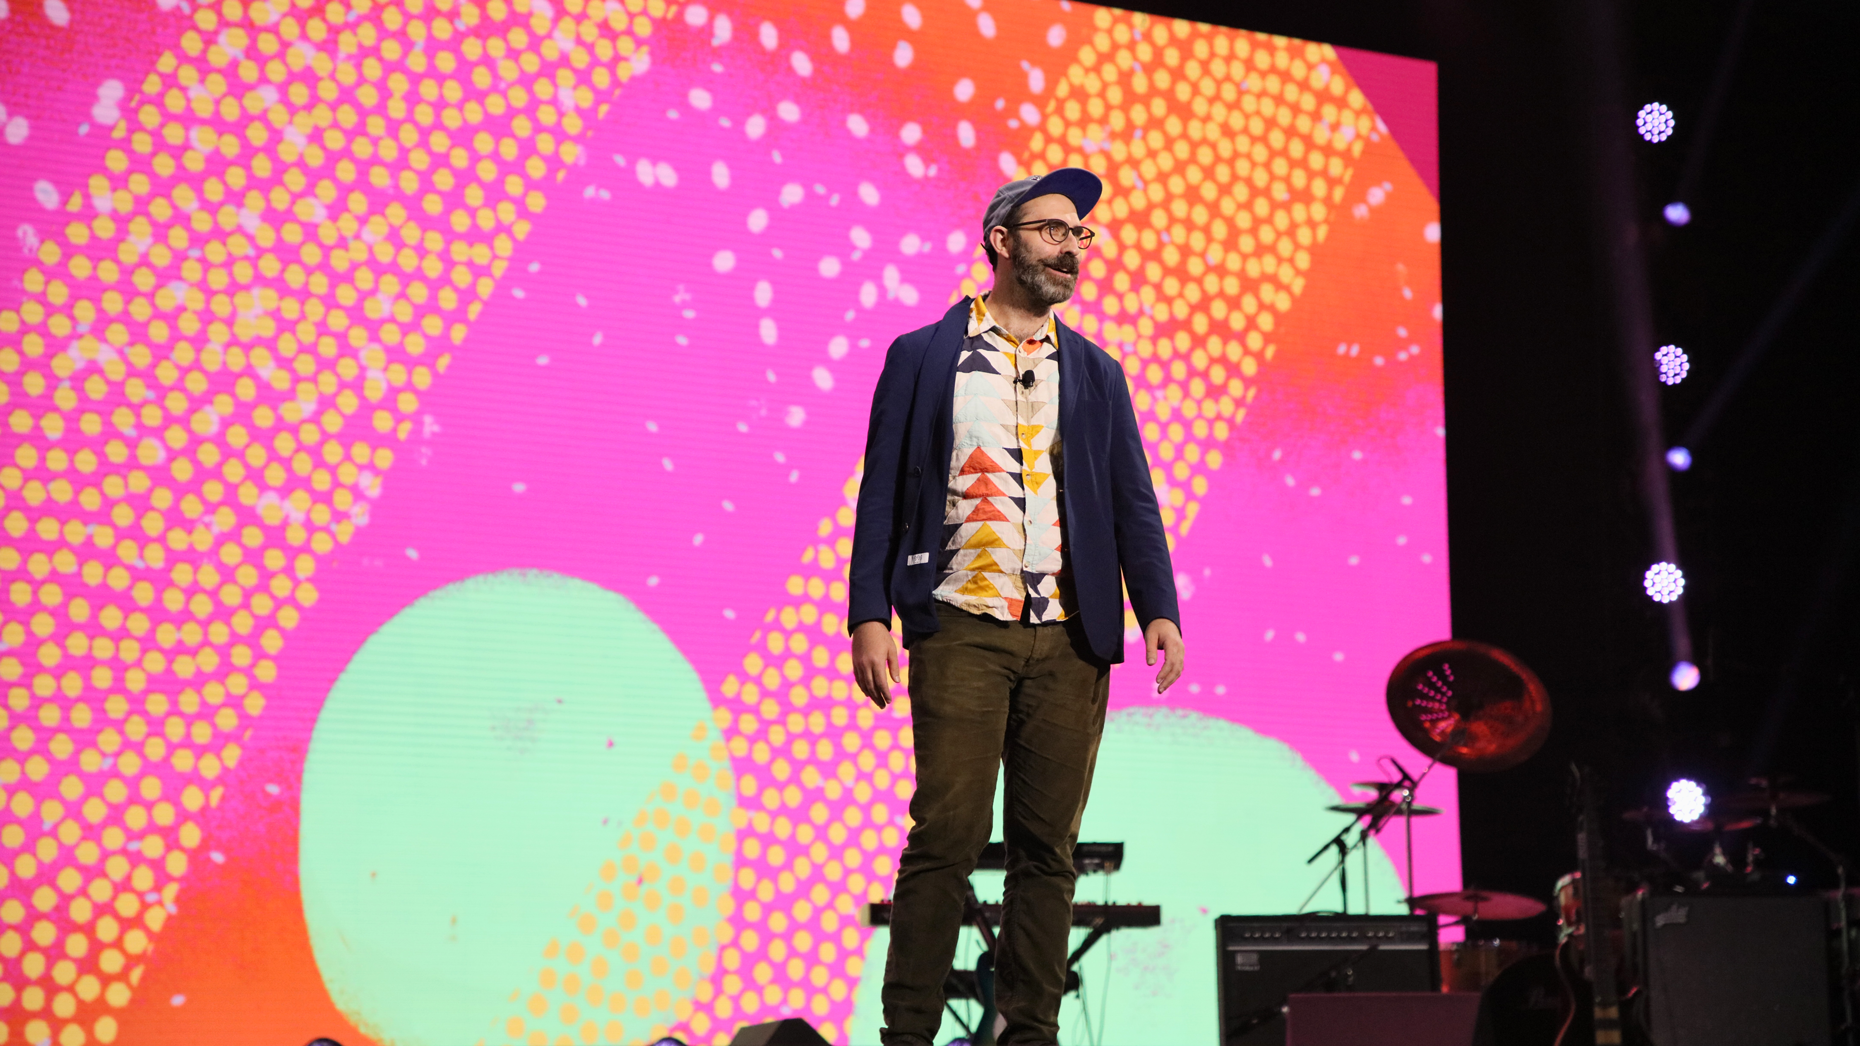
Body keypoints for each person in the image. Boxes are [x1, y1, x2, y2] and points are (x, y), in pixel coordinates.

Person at [847, 167, 1185, 1046]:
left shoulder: (1098, 372)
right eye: (1054, 230)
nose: (1072, 248)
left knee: (1050, 851)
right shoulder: (923, 355)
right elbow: (882, 491)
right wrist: (868, 613)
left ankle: (1029, 1031)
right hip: (960, 623)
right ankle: (909, 1034)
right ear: (1002, 240)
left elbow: (1131, 498)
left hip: (1070, 636)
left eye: (1081, 236)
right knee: (946, 834)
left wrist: (1158, 606)